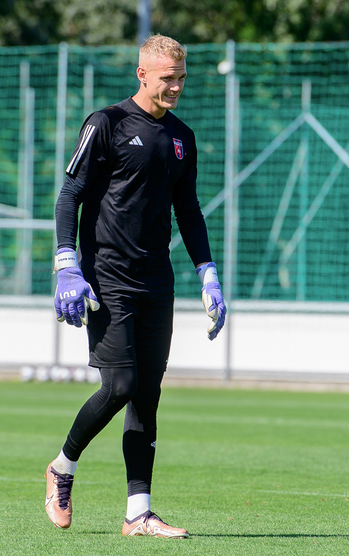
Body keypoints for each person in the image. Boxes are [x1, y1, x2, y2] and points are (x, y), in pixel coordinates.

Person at [44, 34, 226, 539]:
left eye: (182, 78)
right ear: (142, 74)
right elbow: (70, 195)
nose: (176, 87)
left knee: (147, 394)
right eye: (168, 78)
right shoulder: (106, 123)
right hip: (106, 278)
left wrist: (207, 271)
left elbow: (188, 210)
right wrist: (67, 265)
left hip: (156, 281)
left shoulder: (182, 137)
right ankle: (62, 467)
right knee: (120, 386)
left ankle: (138, 514)